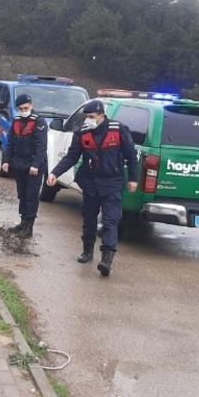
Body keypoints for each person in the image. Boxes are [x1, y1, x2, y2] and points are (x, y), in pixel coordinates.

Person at [46, 100, 138, 277]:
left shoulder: (118, 130)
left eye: (91, 117)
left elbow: (131, 156)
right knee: (89, 219)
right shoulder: (82, 133)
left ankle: (106, 259)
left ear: (101, 115)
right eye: (86, 117)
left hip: (112, 182)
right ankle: (87, 251)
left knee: (111, 221)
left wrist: (133, 179)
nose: (88, 120)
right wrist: (54, 173)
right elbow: (71, 157)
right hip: (90, 183)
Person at [1, 94, 48, 239]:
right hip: (20, 164)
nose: (23, 111)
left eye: (26, 108)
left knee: (31, 196)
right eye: (21, 109)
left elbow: (41, 146)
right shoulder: (16, 121)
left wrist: (35, 165)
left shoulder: (39, 122)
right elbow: (11, 143)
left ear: (31, 105)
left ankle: (29, 226)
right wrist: (6, 161)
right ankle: (23, 222)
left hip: (34, 166)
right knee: (22, 194)